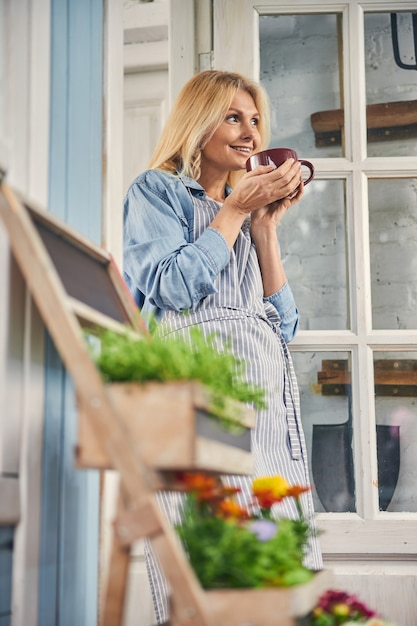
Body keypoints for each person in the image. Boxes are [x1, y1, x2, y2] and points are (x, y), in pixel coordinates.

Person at [123, 69, 323, 623]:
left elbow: (284, 326)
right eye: (233, 116)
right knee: (210, 561)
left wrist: (265, 228)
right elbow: (171, 287)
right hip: (199, 396)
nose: (250, 133)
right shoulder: (156, 191)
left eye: (255, 120)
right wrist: (233, 212)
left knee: (276, 566)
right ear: (198, 123)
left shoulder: (244, 211)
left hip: (265, 407)